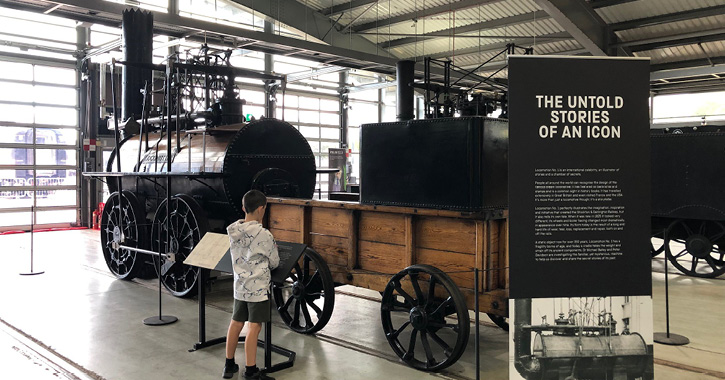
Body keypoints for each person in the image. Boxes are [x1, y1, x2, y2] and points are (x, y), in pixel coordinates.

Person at [224, 190, 279, 379]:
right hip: (258, 288)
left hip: (239, 286)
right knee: (254, 327)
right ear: (262, 208)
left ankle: (229, 365)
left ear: (243, 208)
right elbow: (274, 262)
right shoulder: (264, 235)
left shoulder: (233, 231)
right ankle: (251, 370)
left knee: (236, 322)